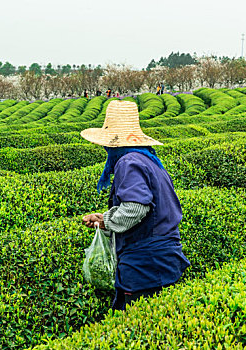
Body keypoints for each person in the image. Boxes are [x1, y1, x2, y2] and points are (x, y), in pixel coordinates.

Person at [81, 100, 190, 311]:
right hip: (161, 259)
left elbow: (136, 208)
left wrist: (108, 221)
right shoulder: (146, 158)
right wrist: (104, 220)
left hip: (146, 264)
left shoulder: (128, 162)